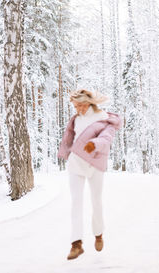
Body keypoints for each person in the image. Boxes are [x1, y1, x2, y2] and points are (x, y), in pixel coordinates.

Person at [57, 89, 122, 260]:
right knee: (76, 202)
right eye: (75, 106)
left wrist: (95, 144)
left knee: (96, 200)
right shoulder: (76, 120)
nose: (78, 109)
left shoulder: (102, 118)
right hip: (76, 163)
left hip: (94, 163)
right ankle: (76, 243)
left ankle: (98, 233)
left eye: (80, 105)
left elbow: (107, 137)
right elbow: (69, 138)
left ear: (88, 103)